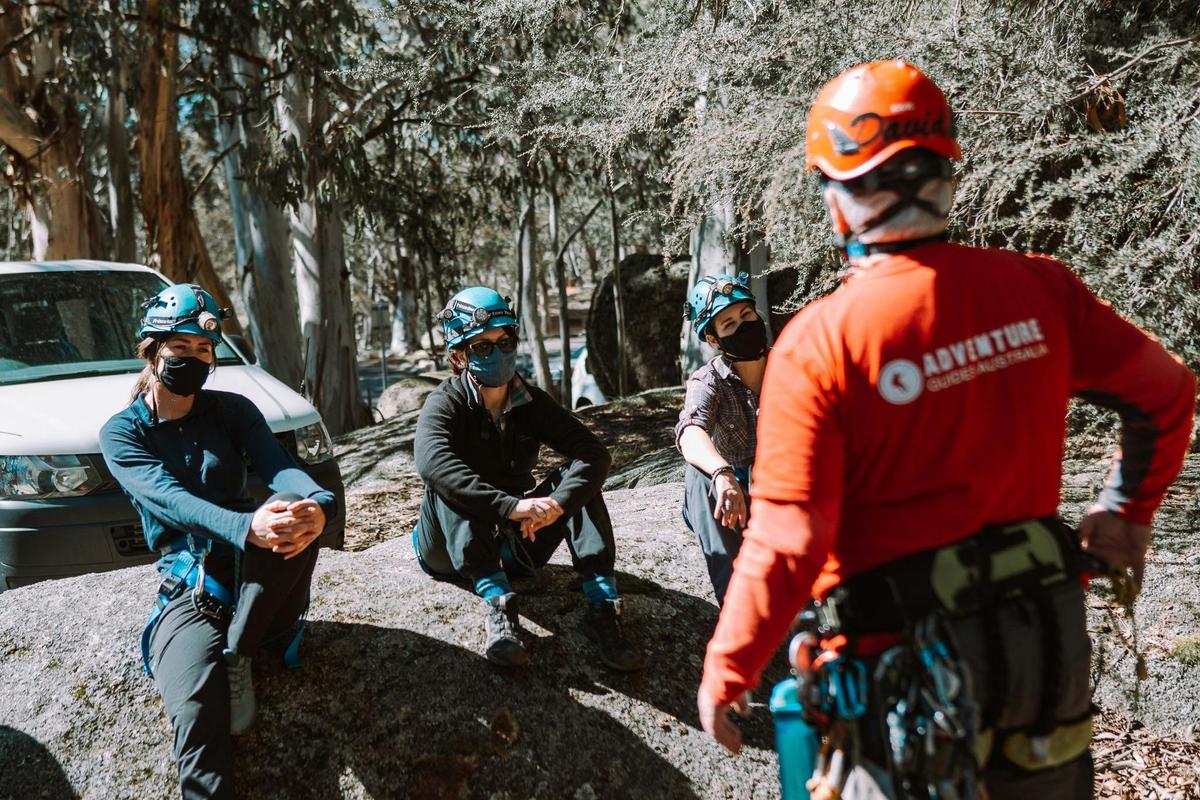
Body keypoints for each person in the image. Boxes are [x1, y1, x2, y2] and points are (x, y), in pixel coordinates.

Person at [696, 60, 1196, 799]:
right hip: (1041, 661)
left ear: (837, 194)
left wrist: (729, 666)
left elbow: (788, 537)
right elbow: (1166, 393)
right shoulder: (1036, 289)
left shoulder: (821, 342)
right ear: (945, 167)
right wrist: (1123, 514)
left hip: (902, 692)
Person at [100, 284, 336, 800]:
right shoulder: (122, 434)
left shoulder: (232, 410)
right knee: (195, 709)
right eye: (180, 348)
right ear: (152, 350)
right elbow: (170, 501)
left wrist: (316, 505)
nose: (192, 358)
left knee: (288, 519)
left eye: (203, 350)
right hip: (192, 585)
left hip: (261, 579)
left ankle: (240, 655)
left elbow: (280, 469)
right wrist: (244, 525)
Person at [413, 286, 642, 671]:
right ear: (460, 355)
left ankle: (602, 603)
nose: (498, 354)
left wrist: (555, 506)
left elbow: (594, 453)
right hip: (448, 549)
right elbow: (431, 462)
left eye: (505, 342)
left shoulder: (530, 402)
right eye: (482, 347)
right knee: (447, 482)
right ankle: (500, 608)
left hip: (516, 541)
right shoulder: (445, 403)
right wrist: (511, 506)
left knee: (577, 483)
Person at [676, 272, 769, 606]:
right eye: (729, 324)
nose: (743, 326)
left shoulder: (792, 364)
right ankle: (736, 606)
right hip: (730, 500)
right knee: (698, 477)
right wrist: (722, 474)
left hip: (782, 493)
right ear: (714, 340)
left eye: (747, 315)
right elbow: (690, 431)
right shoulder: (708, 381)